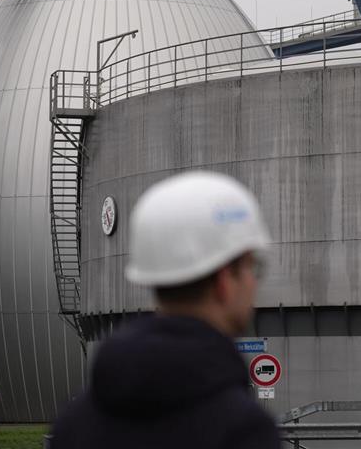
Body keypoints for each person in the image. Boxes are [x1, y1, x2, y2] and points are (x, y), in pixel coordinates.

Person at [49, 171, 280, 449]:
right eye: (252, 268)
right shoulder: (243, 431)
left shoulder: (73, 424)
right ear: (224, 282)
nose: (255, 282)